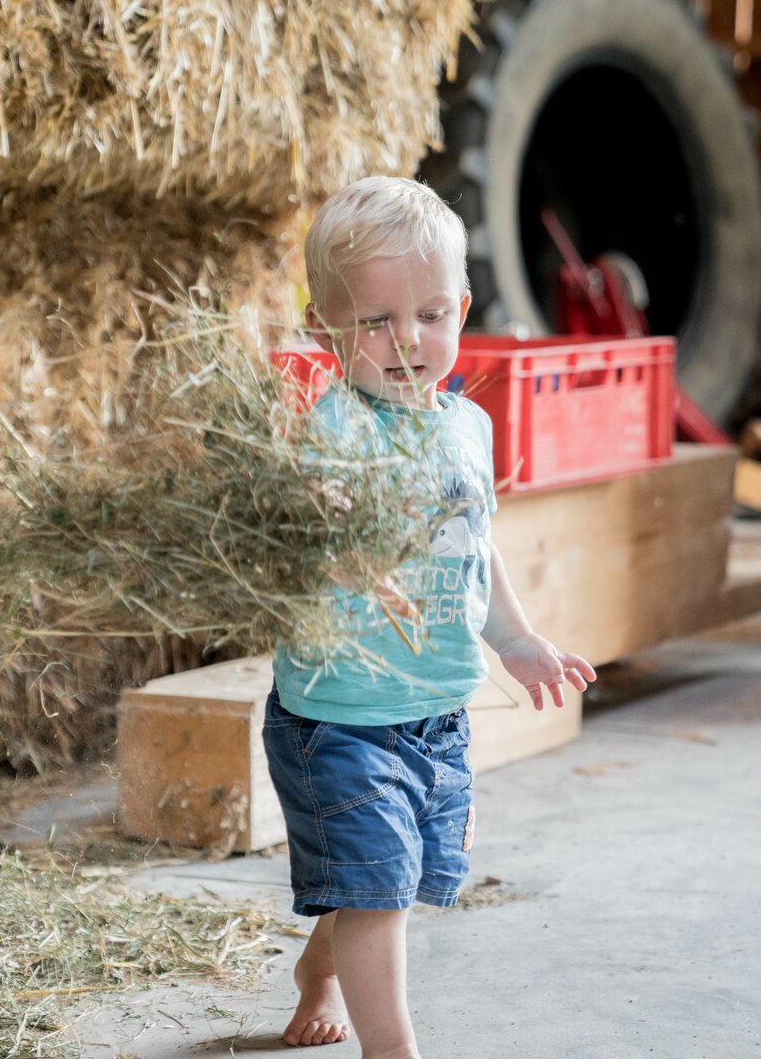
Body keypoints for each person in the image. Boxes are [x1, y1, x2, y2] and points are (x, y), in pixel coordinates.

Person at [263, 176, 595, 1057]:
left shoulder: (468, 427)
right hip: (339, 716)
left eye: (429, 313)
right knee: (377, 894)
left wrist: (518, 639)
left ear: (463, 307)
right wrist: (316, 506)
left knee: (400, 883)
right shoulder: (330, 432)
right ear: (325, 325)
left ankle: (321, 968)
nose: (406, 340)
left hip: (436, 712)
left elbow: (473, 543)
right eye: (373, 321)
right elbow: (289, 535)